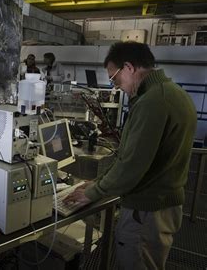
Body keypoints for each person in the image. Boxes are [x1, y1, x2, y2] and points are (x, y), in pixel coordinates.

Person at [64, 41, 197, 270]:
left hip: (146, 212)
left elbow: (132, 166)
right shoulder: (174, 94)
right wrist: (97, 182)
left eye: (114, 78)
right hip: (161, 207)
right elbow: (134, 156)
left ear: (129, 67)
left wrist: (92, 193)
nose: (116, 87)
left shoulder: (153, 102)